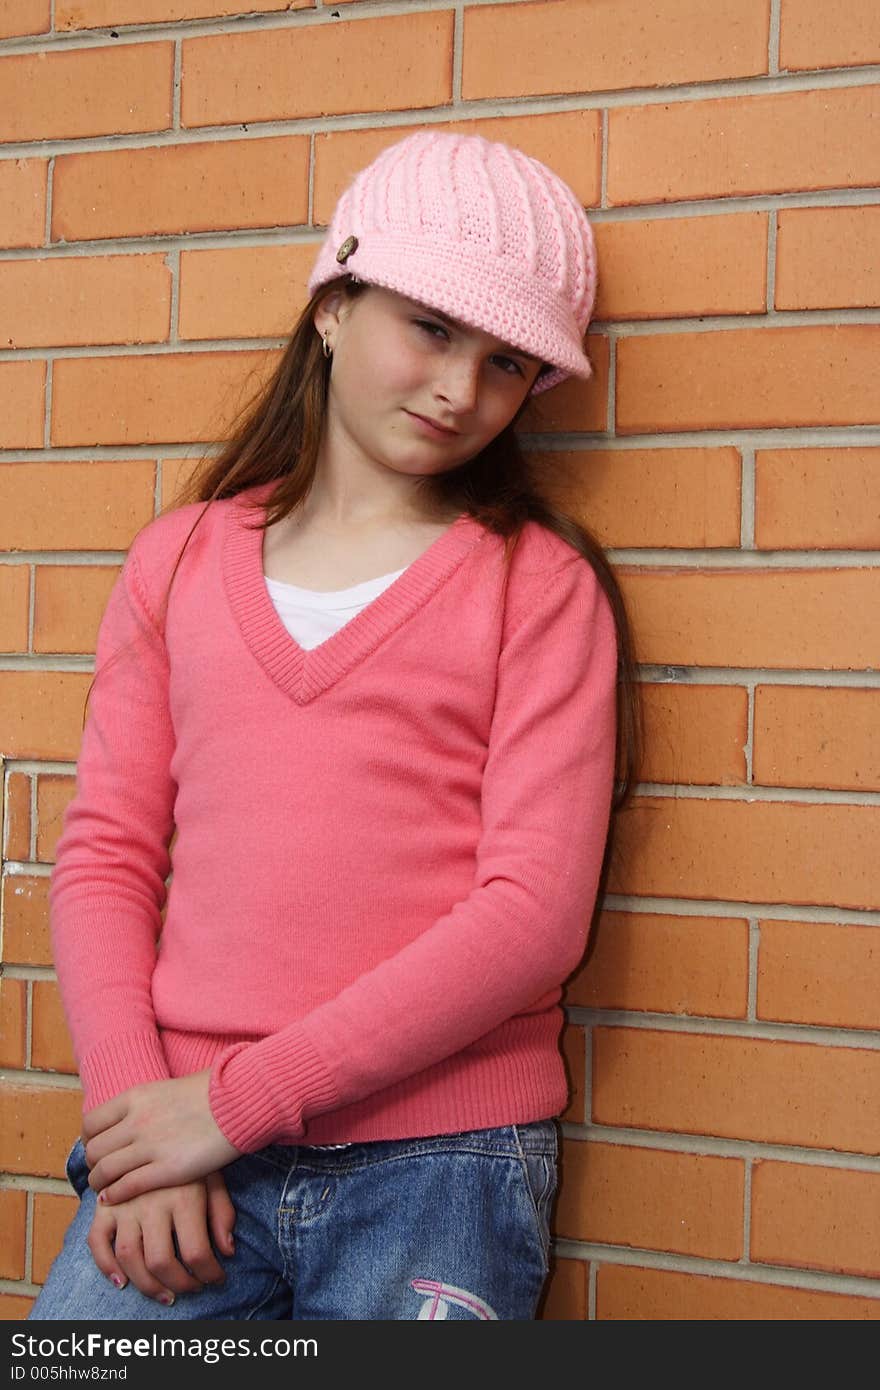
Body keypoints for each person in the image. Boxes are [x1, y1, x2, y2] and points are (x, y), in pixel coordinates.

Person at [30, 129, 641, 1322]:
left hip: (440, 1162)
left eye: (509, 362)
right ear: (333, 301)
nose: (462, 390)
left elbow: (529, 917)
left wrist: (233, 1103)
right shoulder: (180, 563)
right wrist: (139, 1128)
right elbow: (103, 856)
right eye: (431, 328)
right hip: (182, 1148)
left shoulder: (538, 587)